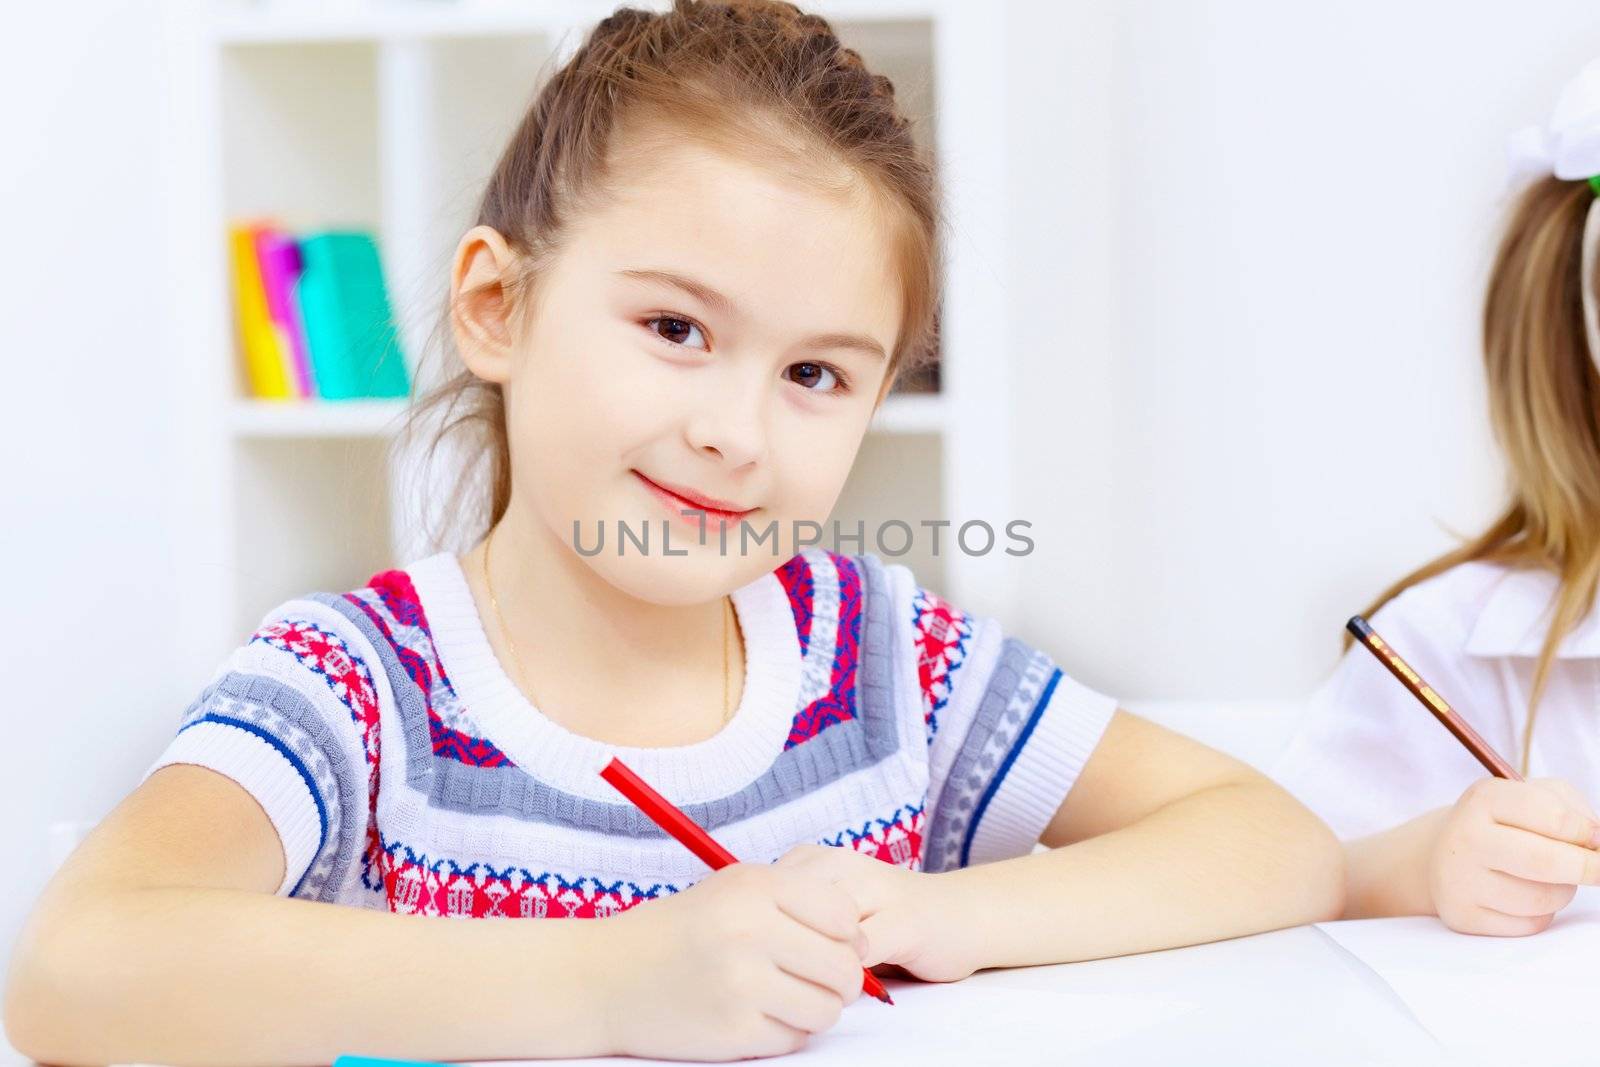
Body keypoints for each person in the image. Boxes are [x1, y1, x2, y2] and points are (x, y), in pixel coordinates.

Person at [4, 3, 1342, 1062]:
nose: (738, 433)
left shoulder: (881, 659)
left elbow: (1265, 836)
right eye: (676, 330)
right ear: (496, 308)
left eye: (816, 375)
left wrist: (940, 915)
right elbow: (73, 973)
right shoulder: (355, 691)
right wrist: (614, 979)